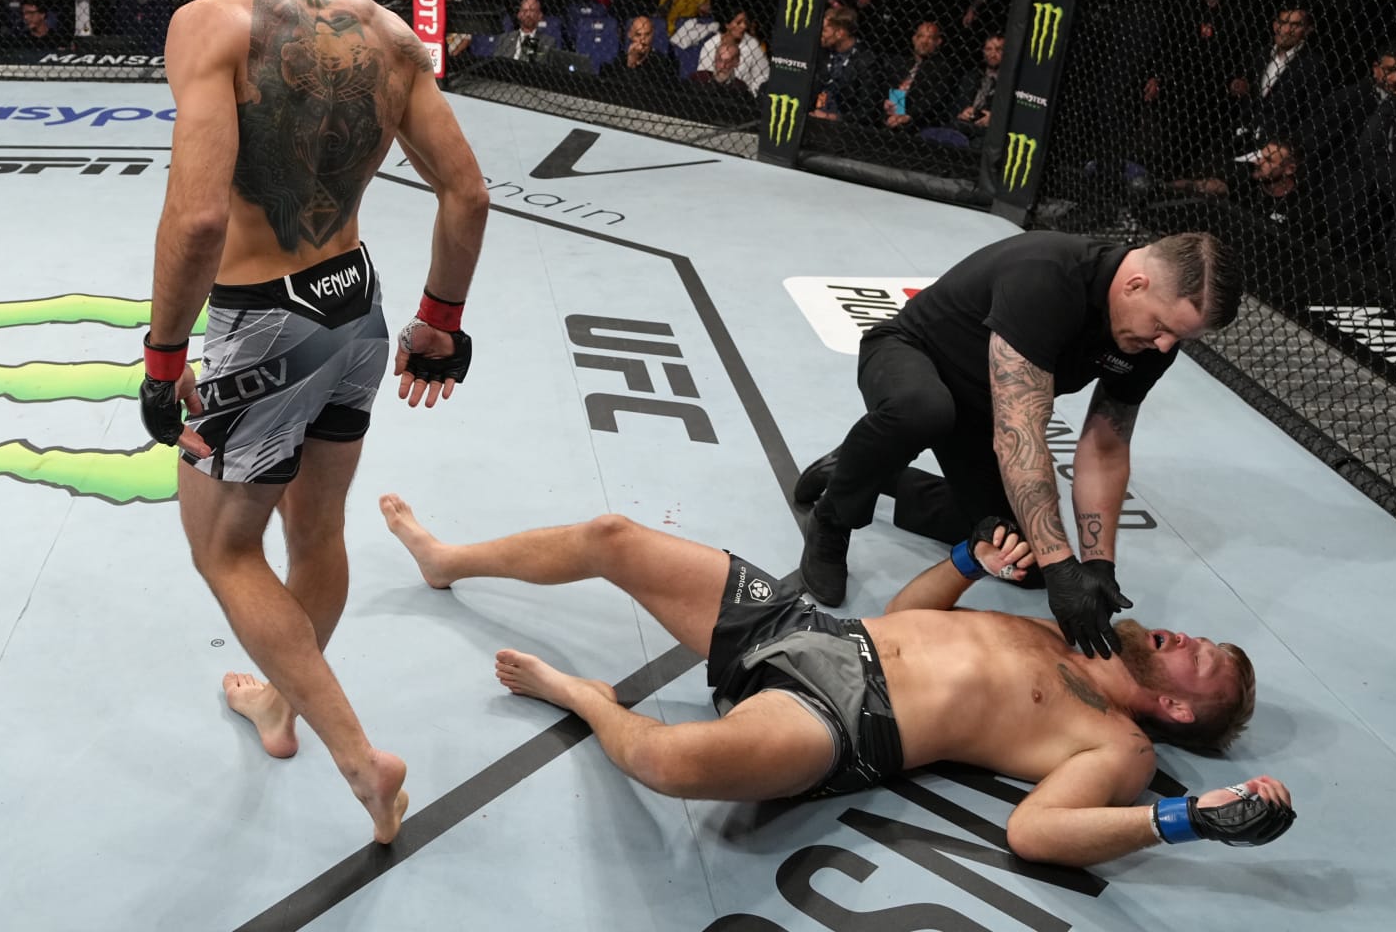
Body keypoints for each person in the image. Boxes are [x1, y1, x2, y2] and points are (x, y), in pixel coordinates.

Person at [136, 0, 490, 845]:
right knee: (317, 530)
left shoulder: (211, 21)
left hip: (263, 327)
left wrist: (167, 357)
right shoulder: (387, 31)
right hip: (359, 309)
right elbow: (468, 192)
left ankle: (354, 753)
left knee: (224, 548)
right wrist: (443, 324)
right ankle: (281, 705)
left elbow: (200, 219)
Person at [378, 496, 1293, 866]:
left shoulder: (1122, 749)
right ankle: (447, 559)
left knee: (674, 764)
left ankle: (583, 698)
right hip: (814, 629)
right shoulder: (1074, 632)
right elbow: (919, 609)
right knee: (614, 537)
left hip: (848, 721)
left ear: (1176, 707)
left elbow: (1035, 831)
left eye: (1197, 658)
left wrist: (1181, 820)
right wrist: (967, 561)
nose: (1184, 636)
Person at [794, 231, 1243, 659]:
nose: (1164, 345)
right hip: (912, 359)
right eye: (1162, 327)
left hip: (983, 411)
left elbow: (1105, 447)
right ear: (1135, 285)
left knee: (1019, 558)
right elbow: (1021, 431)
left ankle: (861, 468)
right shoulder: (1048, 276)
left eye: (1179, 338)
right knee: (924, 410)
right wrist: (1061, 561)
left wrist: (1096, 565)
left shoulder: (1154, 341)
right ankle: (835, 516)